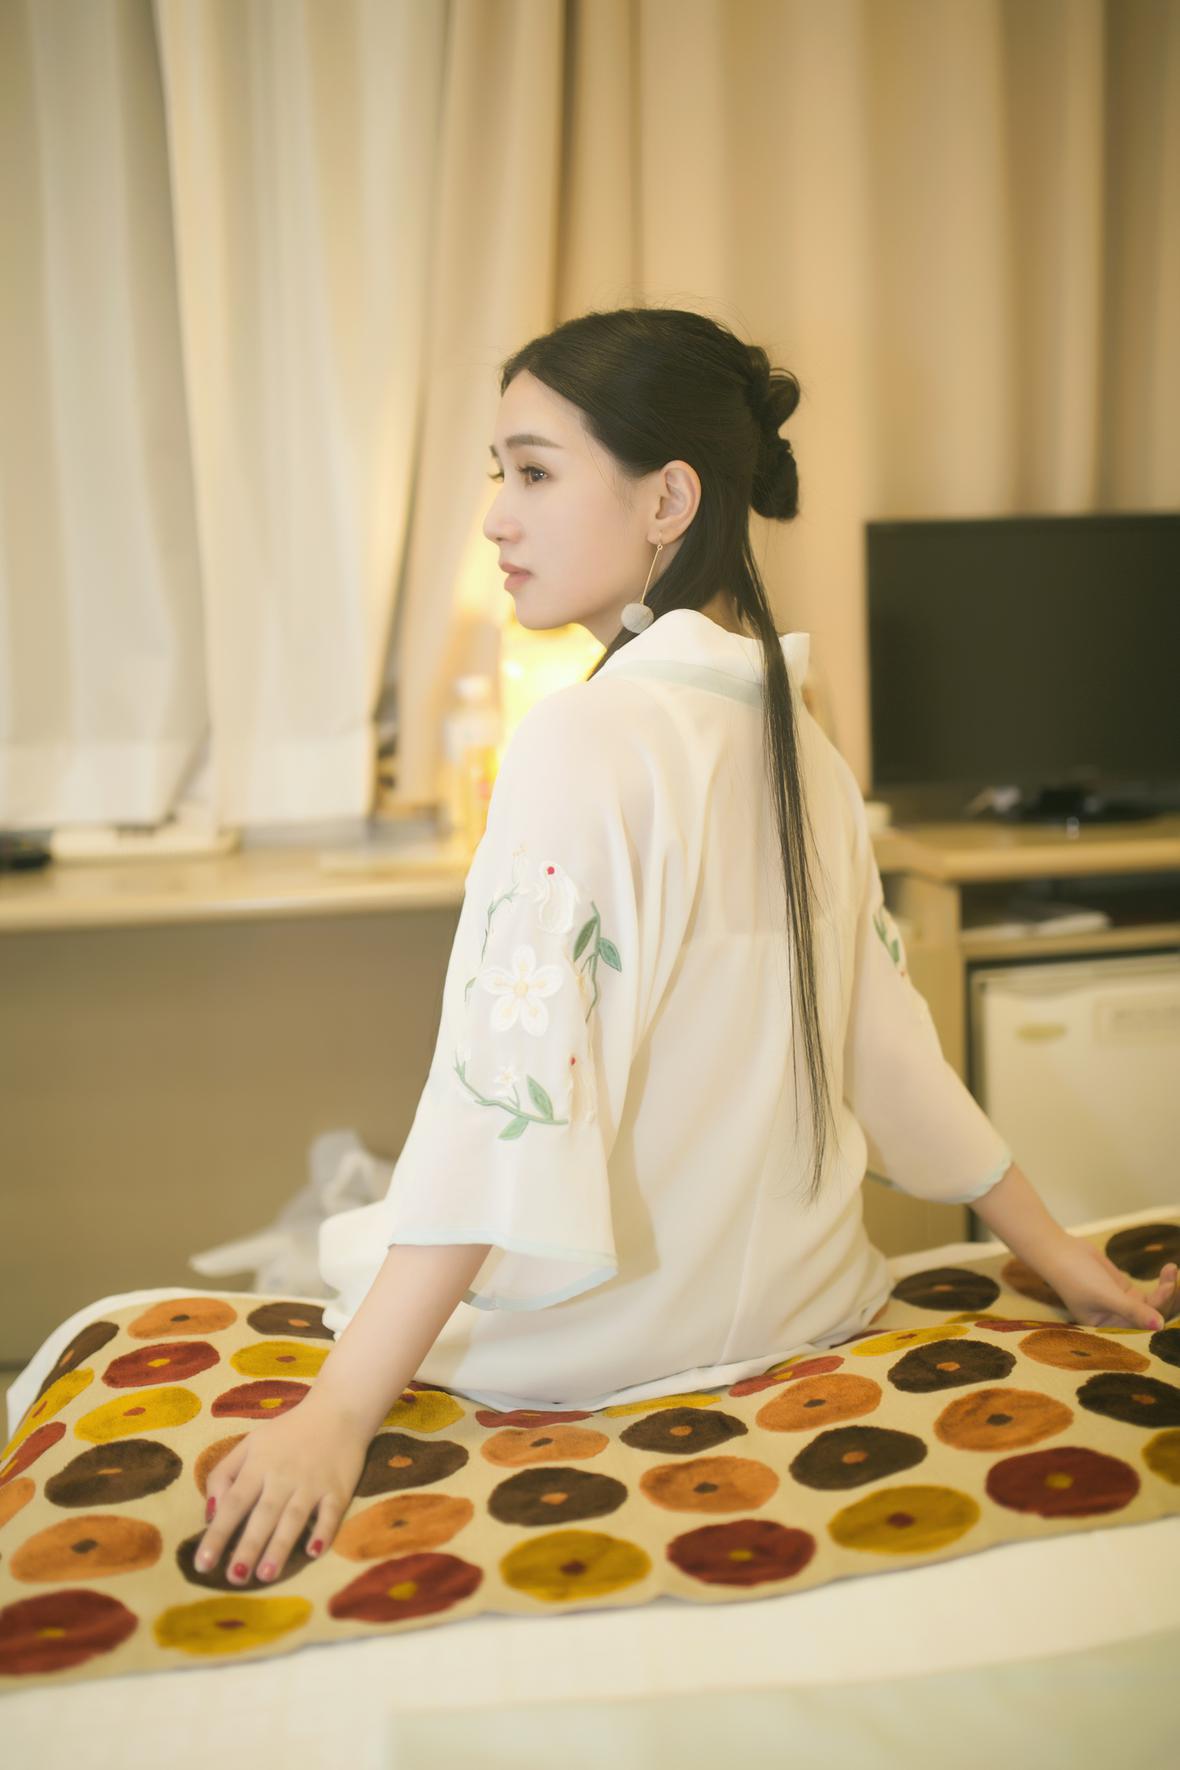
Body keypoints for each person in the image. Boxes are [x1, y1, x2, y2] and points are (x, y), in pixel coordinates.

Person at [195, 305, 1179, 1588]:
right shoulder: (801, 740)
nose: (495, 518)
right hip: (810, 1304)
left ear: (667, 498)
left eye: (532, 473)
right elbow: (889, 1050)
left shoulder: (580, 741)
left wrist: (335, 1414)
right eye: (499, 475)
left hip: (605, 1346)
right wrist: (1052, 1254)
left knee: (354, 1240)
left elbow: (504, 1107)